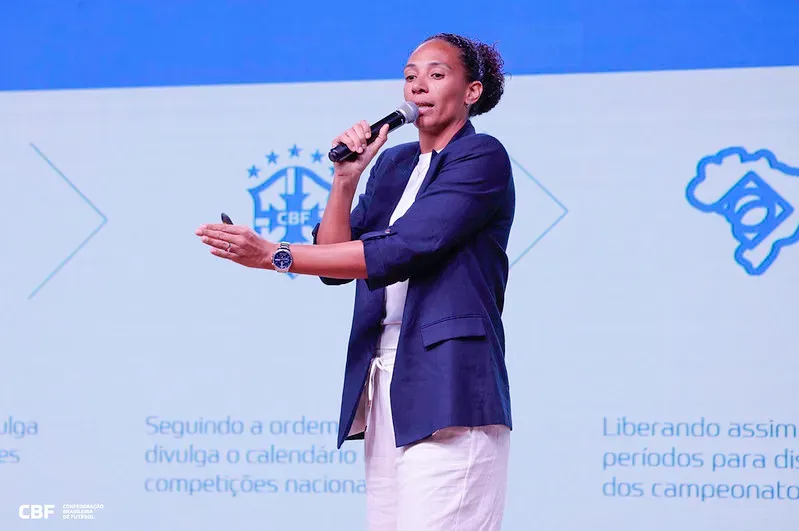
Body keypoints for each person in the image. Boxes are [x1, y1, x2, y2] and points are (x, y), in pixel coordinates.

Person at [196, 32, 515, 531]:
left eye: (436, 75)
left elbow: (404, 248)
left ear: (472, 91)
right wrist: (345, 179)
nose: (418, 87)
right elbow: (332, 264)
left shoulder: (481, 157)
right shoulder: (392, 163)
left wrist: (275, 255)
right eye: (410, 76)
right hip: (384, 382)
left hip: (450, 385)